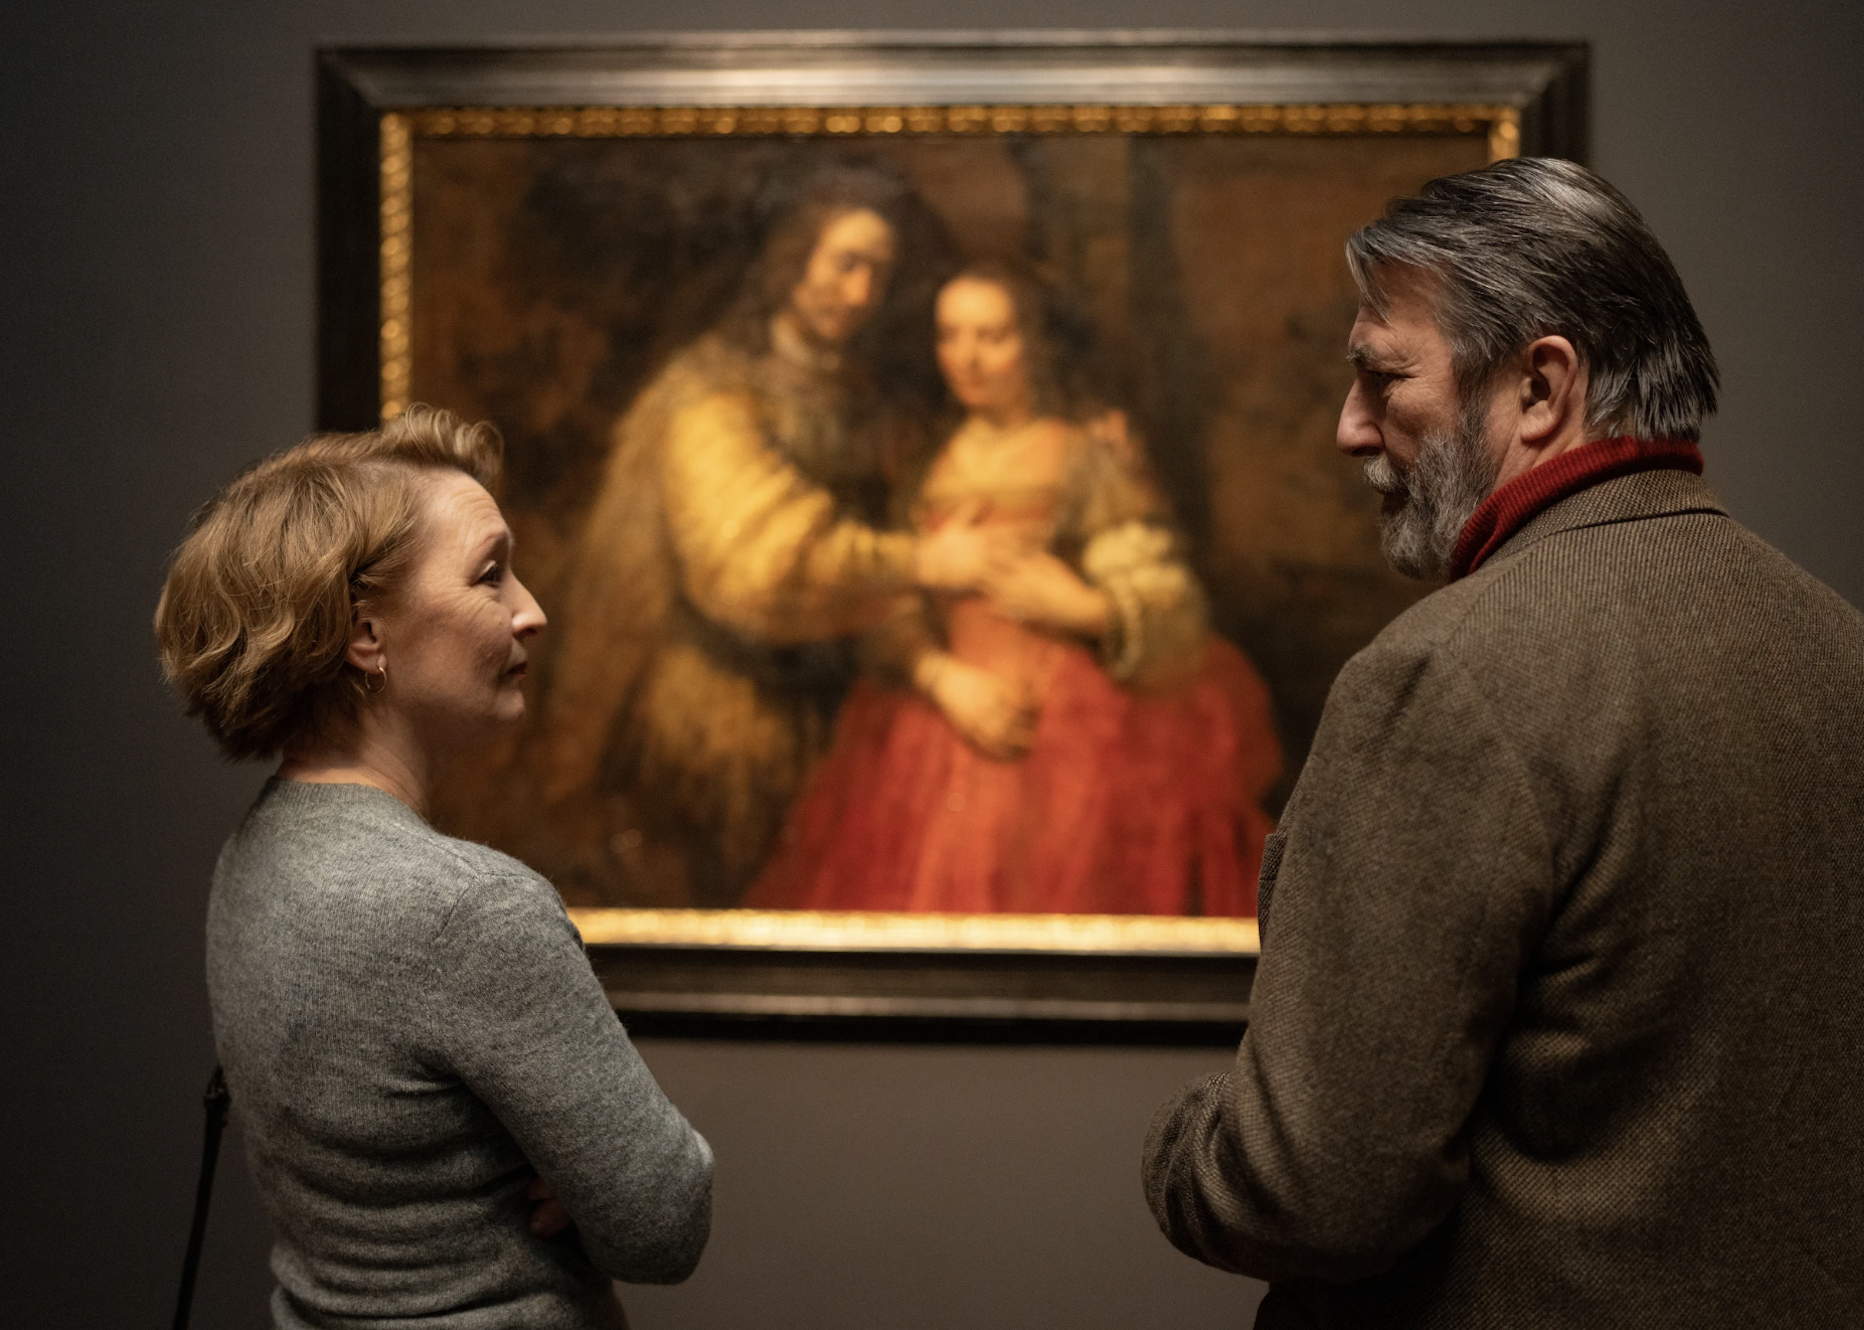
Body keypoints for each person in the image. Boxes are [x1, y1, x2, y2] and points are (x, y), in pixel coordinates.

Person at [1143, 158, 1864, 1327]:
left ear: (1539, 386)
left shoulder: (1446, 675)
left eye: (1380, 375)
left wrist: (1177, 1150)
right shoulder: (1852, 651)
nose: (1347, 426)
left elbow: (1310, 1192)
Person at [155, 408, 712, 1329]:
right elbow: (665, 1222)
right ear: (365, 636)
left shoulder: (256, 855)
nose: (530, 608)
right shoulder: (468, 910)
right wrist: (589, 1181)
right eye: (489, 573)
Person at [746, 261, 1281, 915]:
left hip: (1066, 727)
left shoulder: (1083, 454)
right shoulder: (924, 462)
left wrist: (1083, 606)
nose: (966, 358)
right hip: (940, 716)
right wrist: (944, 675)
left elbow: (1164, 592)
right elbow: (890, 604)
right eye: (950, 336)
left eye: (992, 336)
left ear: (1034, 342)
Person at [533, 161, 998, 904]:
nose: (861, 294)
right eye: (846, 264)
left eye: (879, 274)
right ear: (792, 259)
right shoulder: (709, 395)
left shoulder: (870, 401)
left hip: (841, 719)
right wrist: (925, 559)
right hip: (722, 725)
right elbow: (759, 568)